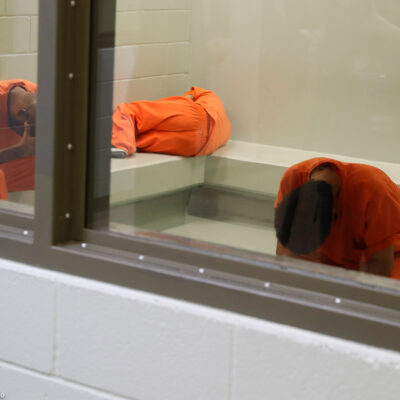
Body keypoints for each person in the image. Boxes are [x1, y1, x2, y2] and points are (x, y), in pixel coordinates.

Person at [0, 80, 230, 199]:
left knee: (135, 125)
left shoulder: (34, 94)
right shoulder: (24, 103)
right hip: (199, 131)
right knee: (131, 117)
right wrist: (16, 152)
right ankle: (119, 141)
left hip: (197, 129)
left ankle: (119, 141)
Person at [274, 157, 400, 280]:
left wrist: (337, 285)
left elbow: (383, 265)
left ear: (335, 216)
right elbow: (285, 254)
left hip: (387, 255)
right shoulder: (292, 179)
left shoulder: (373, 190)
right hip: (329, 257)